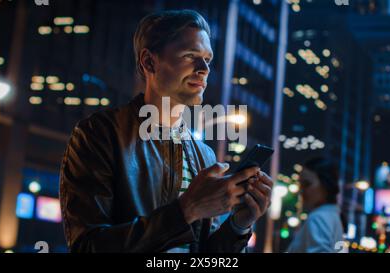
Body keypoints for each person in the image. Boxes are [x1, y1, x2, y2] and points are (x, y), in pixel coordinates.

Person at [59, 9, 273, 253]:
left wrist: (238, 226)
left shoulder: (204, 156)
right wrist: (186, 210)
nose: (204, 68)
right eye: (190, 56)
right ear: (149, 61)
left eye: (207, 59)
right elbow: (87, 247)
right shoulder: (100, 134)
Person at [287, 156, 344, 253]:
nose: (301, 190)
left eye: (307, 184)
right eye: (300, 185)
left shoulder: (319, 217)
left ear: (325, 184)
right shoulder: (332, 214)